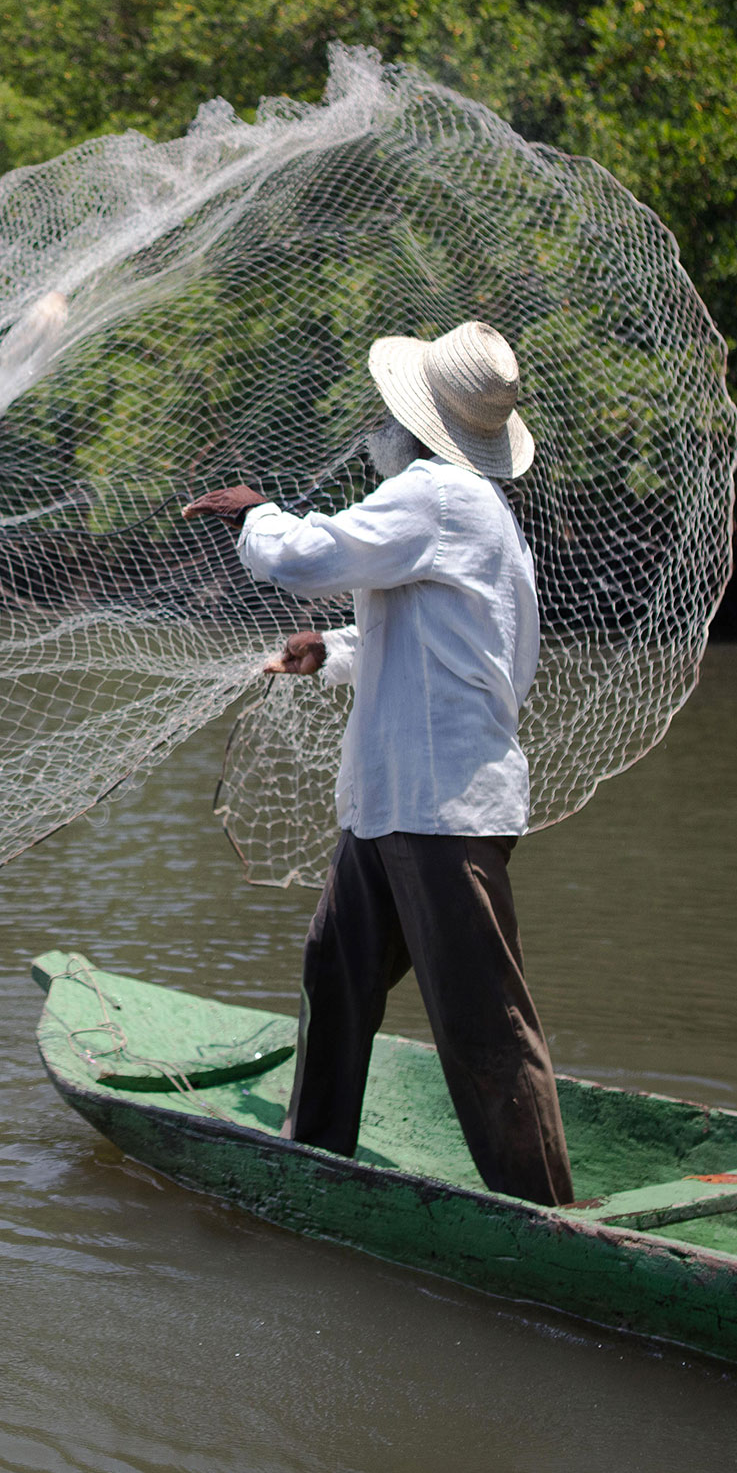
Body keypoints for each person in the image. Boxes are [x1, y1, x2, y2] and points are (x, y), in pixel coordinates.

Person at [180, 320, 573, 1205]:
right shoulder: (466, 510)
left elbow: (310, 555)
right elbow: (445, 641)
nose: (376, 431)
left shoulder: (437, 496)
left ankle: (548, 1218)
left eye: (389, 418)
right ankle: (316, 1154)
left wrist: (256, 513)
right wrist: (335, 649)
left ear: (418, 426)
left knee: (484, 1024)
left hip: (441, 813)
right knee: (336, 971)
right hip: (395, 806)